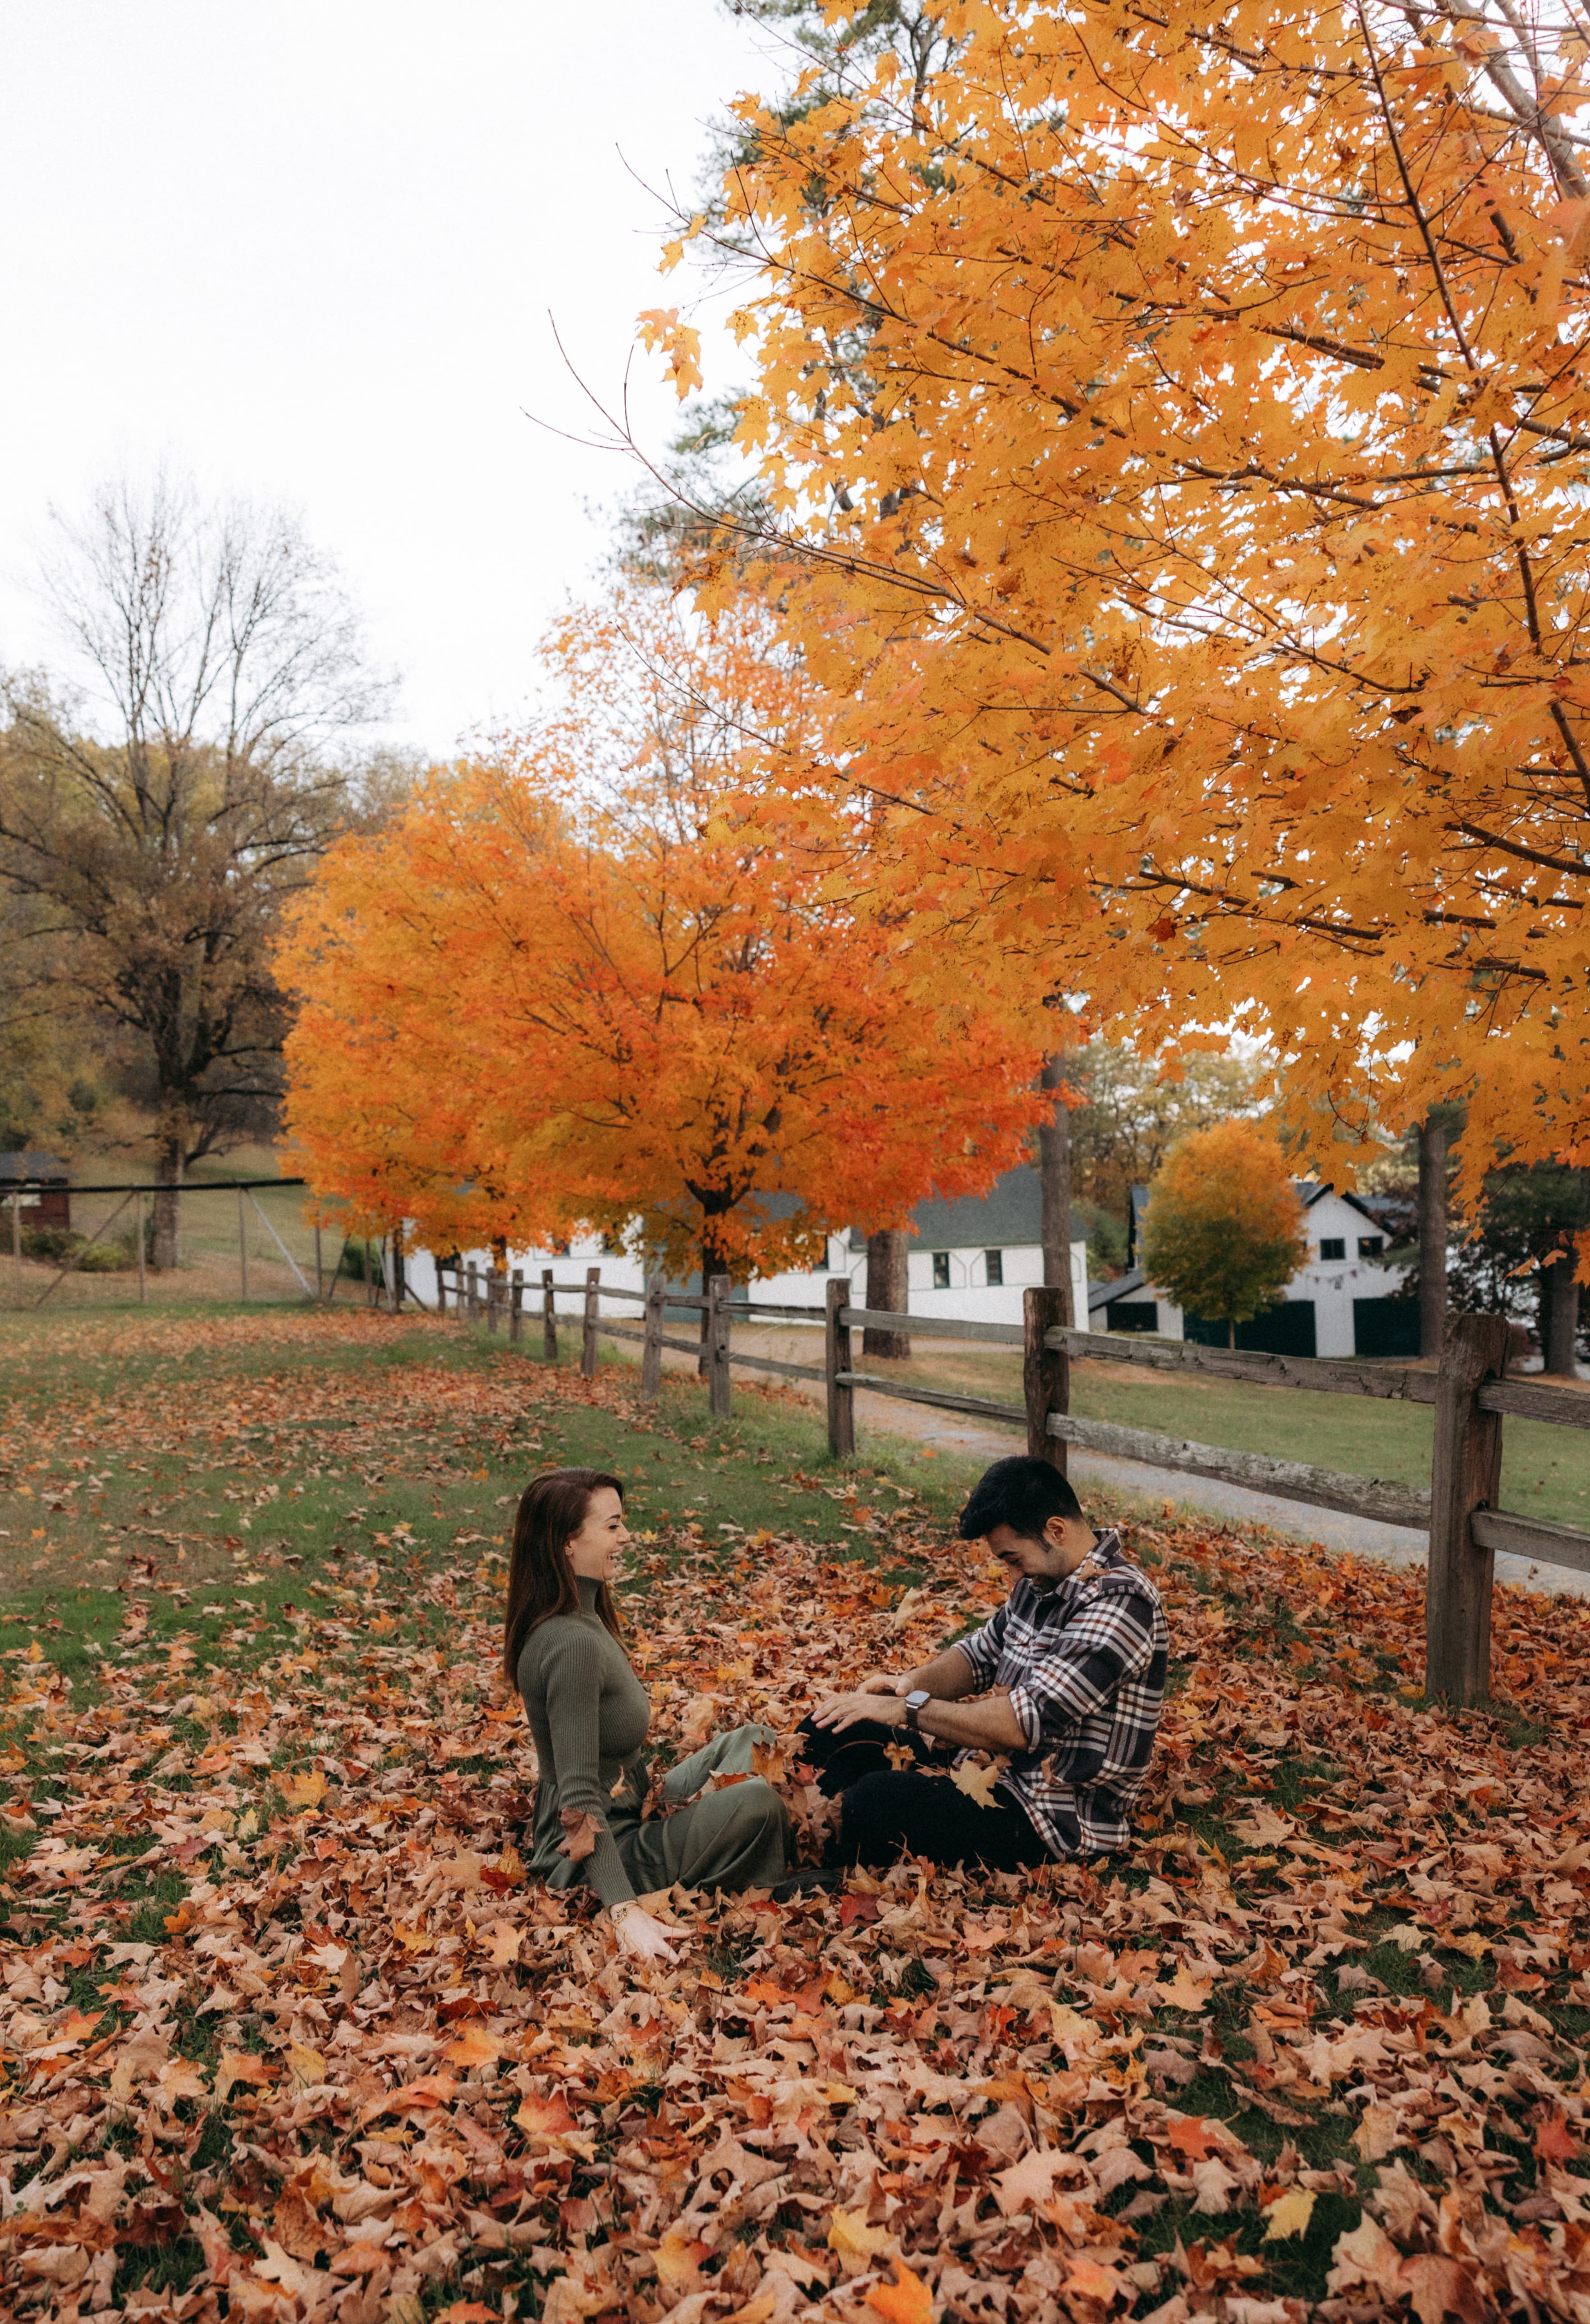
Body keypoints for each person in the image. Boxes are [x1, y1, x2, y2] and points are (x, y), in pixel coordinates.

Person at [800, 1455, 1167, 1874]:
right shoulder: (1042, 1579)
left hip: (1045, 1816)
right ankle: (799, 1833)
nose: (1012, 1574)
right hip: (979, 1773)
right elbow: (978, 1654)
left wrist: (909, 1709)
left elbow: (1023, 1723)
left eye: (1013, 1558)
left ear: (1056, 1530)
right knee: (828, 1725)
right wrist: (905, 1685)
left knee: (876, 1799)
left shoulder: (1121, 1602)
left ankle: (835, 1865)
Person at [505, 1467, 790, 1962]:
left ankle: (739, 1845)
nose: (626, 1536)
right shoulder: (571, 1643)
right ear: (568, 1542)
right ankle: (764, 1880)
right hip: (596, 1851)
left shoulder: (583, 1614)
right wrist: (623, 1910)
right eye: (612, 1526)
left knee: (753, 1738)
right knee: (757, 1804)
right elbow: (576, 1799)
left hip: (630, 1808)